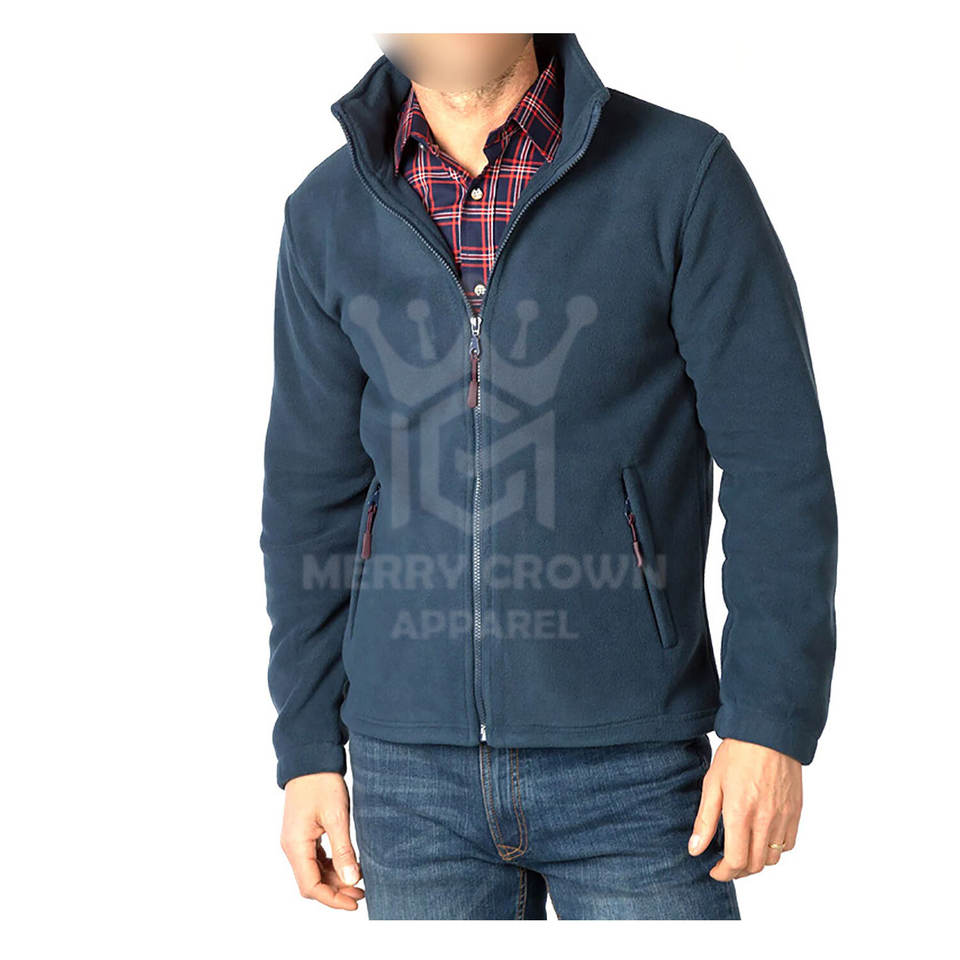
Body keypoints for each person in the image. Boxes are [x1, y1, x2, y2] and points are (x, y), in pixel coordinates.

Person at [261, 32, 837, 920]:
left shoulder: (680, 176)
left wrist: (770, 721)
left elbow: (777, 465)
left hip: (637, 769)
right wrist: (306, 747)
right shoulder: (326, 211)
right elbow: (311, 497)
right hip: (407, 781)